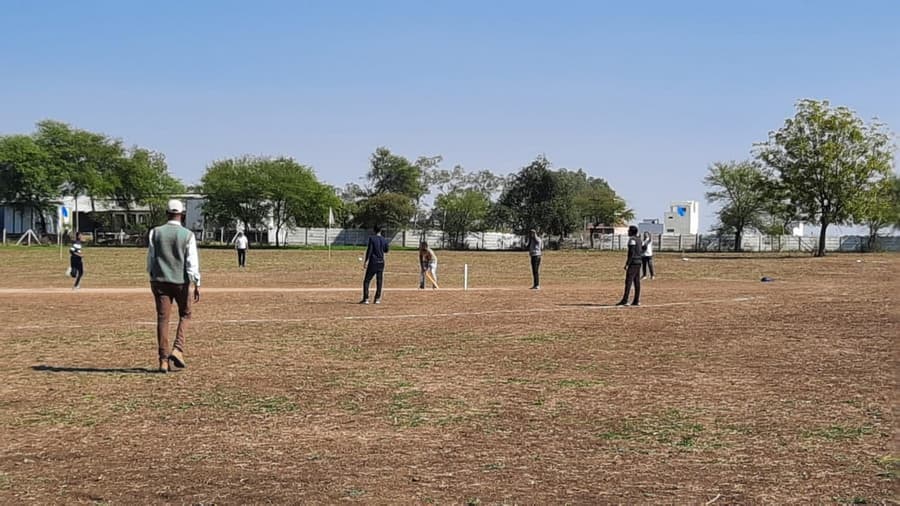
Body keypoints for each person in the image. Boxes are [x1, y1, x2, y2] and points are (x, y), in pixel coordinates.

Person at [147, 199, 201, 373]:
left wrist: (152, 274)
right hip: (181, 282)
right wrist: (197, 282)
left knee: (163, 319)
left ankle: (163, 360)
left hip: (160, 281)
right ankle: (178, 348)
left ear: (166, 213)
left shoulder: (155, 232)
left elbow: (151, 258)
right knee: (185, 314)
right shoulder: (188, 235)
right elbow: (191, 262)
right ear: (182, 215)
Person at [360, 225, 389, 304]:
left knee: (367, 280)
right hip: (381, 262)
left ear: (374, 230)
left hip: (373, 262)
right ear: (381, 231)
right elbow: (386, 250)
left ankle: (366, 298)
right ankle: (377, 299)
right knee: (379, 281)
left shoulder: (372, 239)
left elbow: (369, 250)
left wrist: (366, 261)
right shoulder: (384, 240)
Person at [617, 225, 643, 306]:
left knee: (628, 281)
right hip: (639, 261)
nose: (628, 232)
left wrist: (627, 263)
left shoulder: (632, 240)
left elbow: (631, 253)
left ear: (632, 232)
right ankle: (636, 300)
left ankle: (625, 300)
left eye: (629, 230)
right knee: (637, 281)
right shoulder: (639, 239)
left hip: (633, 262)